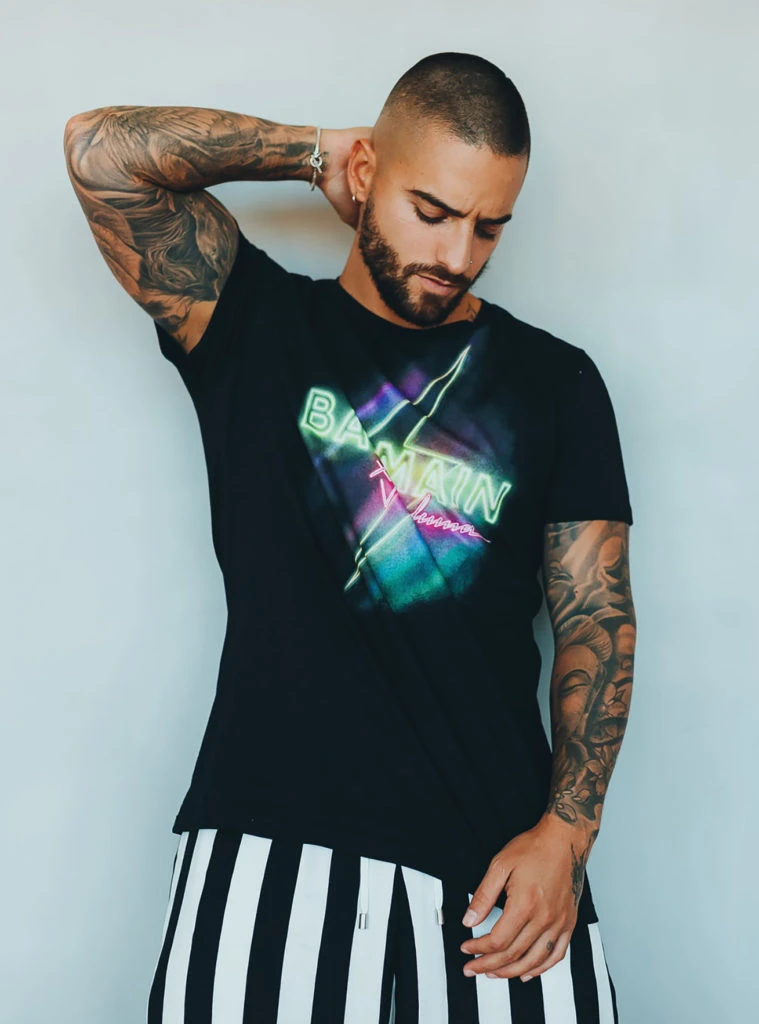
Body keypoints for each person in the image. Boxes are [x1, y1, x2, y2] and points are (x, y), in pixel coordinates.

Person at [64, 51, 636, 1024]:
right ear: (369, 173)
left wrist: (568, 837)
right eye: (431, 210)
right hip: (266, 854)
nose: (457, 253)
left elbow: (597, 620)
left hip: (497, 882)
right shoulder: (252, 325)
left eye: (488, 225)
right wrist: (312, 151)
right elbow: (99, 153)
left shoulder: (557, 384)